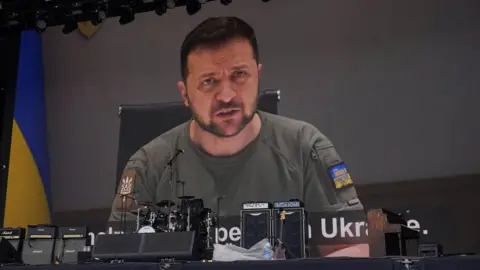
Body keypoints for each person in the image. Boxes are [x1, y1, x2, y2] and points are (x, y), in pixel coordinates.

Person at [109, 17, 363, 224]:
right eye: (209, 81)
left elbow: (349, 251)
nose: (227, 96)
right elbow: (117, 258)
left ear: (257, 76)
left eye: (239, 75)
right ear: (185, 93)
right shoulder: (146, 167)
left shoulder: (307, 149)